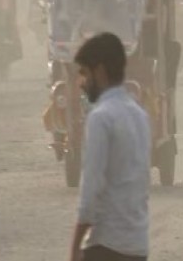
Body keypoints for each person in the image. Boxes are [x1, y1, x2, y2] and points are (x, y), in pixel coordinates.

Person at [70, 33, 151, 261]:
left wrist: (75, 246)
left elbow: (91, 189)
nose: (82, 83)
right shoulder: (139, 114)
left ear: (100, 71)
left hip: (106, 246)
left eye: (85, 73)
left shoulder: (101, 117)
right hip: (137, 245)